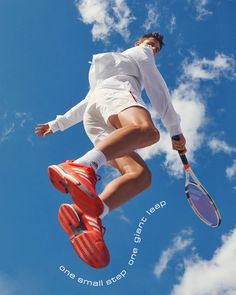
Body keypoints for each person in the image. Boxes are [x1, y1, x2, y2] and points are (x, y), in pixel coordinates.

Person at [35, 32, 187, 269]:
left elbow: (88, 102)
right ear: (139, 43)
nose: (153, 49)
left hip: (94, 115)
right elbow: (158, 89)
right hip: (115, 97)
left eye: (156, 47)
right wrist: (175, 129)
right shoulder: (139, 54)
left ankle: (88, 215)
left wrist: (57, 124)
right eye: (150, 44)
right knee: (146, 130)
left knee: (140, 176)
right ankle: (81, 166)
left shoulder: (108, 72)